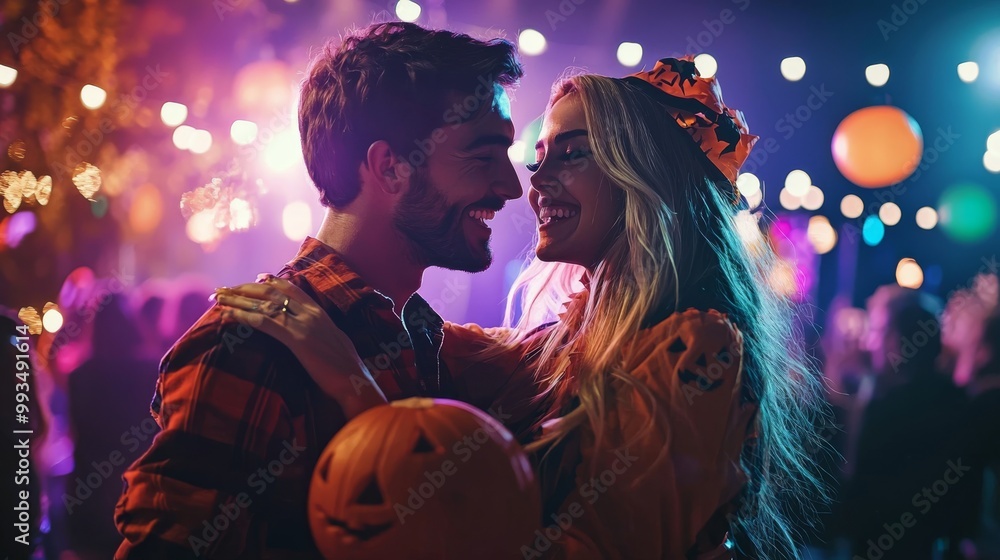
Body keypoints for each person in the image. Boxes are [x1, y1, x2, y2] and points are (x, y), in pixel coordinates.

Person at [223, 56, 829, 559]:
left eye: (571, 154)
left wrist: (358, 397)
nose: (530, 184)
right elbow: (419, 339)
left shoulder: (694, 350)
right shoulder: (566, 340)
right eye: (539, 157)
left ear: (644, 175)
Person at [114, 21, 523, 559]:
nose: (511, 187)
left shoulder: (425, 335)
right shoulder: (250, 343)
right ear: (391, 166)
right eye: (483, 155)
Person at [843, 286, 975, 559]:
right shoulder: (959, 401)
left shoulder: (887, 409)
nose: (871, 343)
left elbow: (857, 491)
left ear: (898, 341)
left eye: (879, 332)